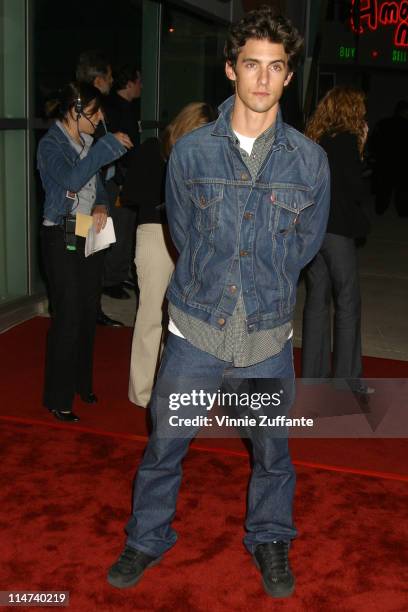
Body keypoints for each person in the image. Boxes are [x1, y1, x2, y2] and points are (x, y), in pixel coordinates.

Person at [107, 7, 330, 599]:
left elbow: (303, 249)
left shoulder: (310, 162)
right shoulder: (193, 154)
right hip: (195, 332)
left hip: (265, 338)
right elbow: (182, 232)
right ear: (231, 70)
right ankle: (148, 537)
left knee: (273, 455)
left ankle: (270, 536)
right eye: (251, 65)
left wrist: (264, 289)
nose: (262, 78)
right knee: (165, 445)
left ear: (288, 76)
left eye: (275, 67)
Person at [38, 81, 132, 422]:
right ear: (74, 112)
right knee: (68, 315)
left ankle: (81, 383)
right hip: (60, 231)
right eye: (93, 113)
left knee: (89, 307)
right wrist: (105, 147)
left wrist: (101, 205)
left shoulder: (90, 141)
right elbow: (72, 180)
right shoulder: (51, 145)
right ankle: (57, 397)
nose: (99, 118)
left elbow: (99, 186)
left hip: (87, 228)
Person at [122, 102, 217, 409]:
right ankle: (142, 393)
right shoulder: (153, 149)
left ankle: (169, 390)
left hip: (190, 240)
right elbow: (133, 193)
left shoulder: (202, 158)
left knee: (181, 319)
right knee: (151, 315)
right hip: (154, 233)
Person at [301, 86, 370, 386]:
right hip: (338, 232)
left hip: (313, 232)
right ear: (351, 111)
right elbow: (356, 190)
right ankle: (346, 381)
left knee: (317, 300)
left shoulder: (313, 142)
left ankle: (313, 377)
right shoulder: (346, 143)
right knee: (347, 303)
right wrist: (362, 150)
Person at [76, 50, 132, 325]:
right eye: (109, 76)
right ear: (98, 80)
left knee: (97, 252)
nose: (112, 80)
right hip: (83, 197)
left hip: (101, 188)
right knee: (83, 254)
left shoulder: (96, 109)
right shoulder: (81, 114)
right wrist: (110, 144)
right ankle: (86, 309)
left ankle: (91, 307)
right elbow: (82, 160)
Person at [101, 64, 143, 300]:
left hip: (125, 179)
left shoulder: (126, 108)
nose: (141, 86)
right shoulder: (115, 110)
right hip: (117, 180)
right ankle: (110, 279)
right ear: (129, 83)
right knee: (117, 229)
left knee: (125, 229)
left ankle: (116, 275)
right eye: (139, 80)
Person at [368, 99, 408, 217]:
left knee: (384, 188)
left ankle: (380, 209)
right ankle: (403, 212)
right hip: (403, 162)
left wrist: (374, 156)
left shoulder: (383, 123)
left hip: (384, 161)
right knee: (403, 189)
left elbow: (374, 141)